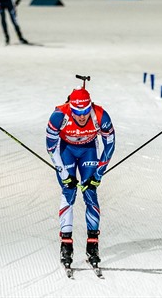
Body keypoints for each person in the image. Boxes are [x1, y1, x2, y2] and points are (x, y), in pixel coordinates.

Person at [46, 86, 115, 268]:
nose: (82, 116)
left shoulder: (100, 115)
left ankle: (93, 245)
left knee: (90, 192)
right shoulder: (59, 115)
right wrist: (63, 172)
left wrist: (98, 174)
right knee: (68, 191)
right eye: (78, 112)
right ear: (71, 107)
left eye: (85, 111)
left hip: (89, 151)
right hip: (66, 150)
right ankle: (66, 245)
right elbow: (51, 147)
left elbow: (110, 145)